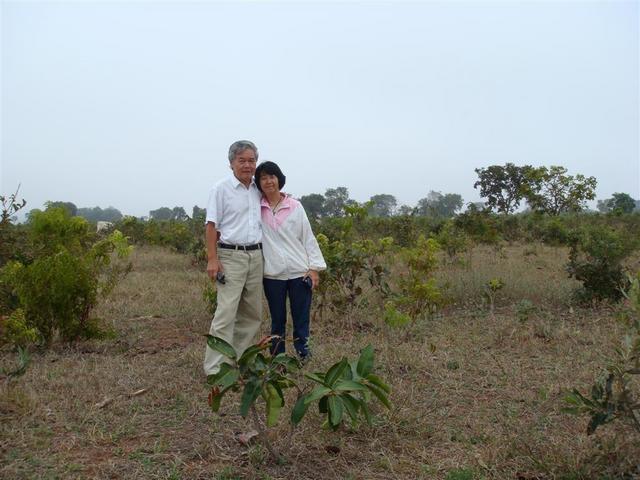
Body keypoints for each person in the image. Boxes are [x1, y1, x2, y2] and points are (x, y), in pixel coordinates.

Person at [254, 161, 326, 360]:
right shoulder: (256, 208)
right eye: (263, 178)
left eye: (272, 176)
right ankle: (278, 358)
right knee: (277, 320)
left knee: (301, 318)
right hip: (272, 274)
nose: (268, 181)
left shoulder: (295, 206)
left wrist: (314, 268)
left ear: (279, 179)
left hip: (299, 273)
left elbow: (308, 237)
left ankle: (303, 354)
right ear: (258, 183)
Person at [203, 140, 263, 376]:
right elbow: (211, 226)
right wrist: (212, 259)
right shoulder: (221, 188)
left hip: (257, 256)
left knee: (252, 314)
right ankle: (215, 368)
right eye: (242, 160)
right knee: (226, 312)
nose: (247, 165)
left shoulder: (259, 188)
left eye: (251, 160)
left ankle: (240, 361)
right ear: (231, 164)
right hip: (230, 255)